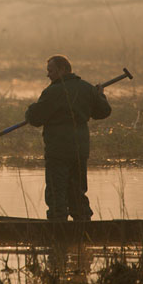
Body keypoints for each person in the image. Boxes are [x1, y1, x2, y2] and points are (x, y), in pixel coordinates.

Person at [25, 55, 111, 221]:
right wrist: (99, 96)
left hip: (58, 151)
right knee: (77, 192)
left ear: (62, 70)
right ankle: (83, 227)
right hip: (80, 150)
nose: (48, 75)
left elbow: (35, 118)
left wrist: (31, 109)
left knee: (57, 193)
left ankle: (58, 231)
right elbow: (103, 111)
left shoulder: (52, 92)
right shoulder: (87, 89)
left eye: (50, 71)